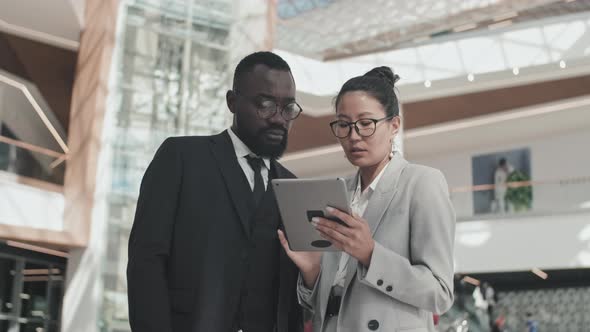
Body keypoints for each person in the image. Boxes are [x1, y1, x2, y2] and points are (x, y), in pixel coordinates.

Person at [127, 51, 304, 332]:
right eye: (266, 104)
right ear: (232, 102)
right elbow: (146, 262)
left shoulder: (293, 188)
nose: (279, 119)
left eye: (288, 108)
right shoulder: (181, 158)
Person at [278, 66, 456, 331]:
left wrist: (371, 255)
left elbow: (440, 294)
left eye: (366, 124)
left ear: (394, 125)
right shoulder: (338, 194)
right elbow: (331, 305)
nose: (353, 136)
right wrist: (313, 273)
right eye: (343, 124)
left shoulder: (421, 183)